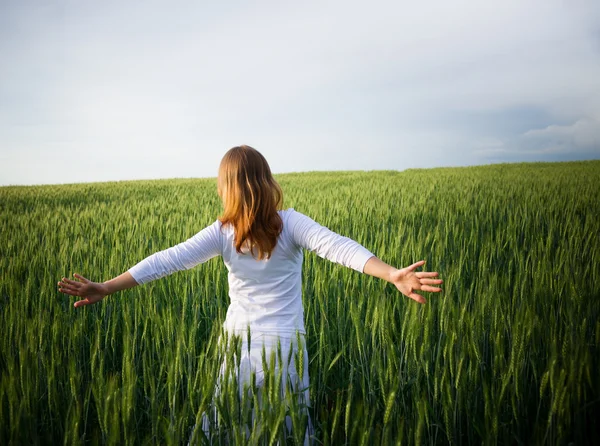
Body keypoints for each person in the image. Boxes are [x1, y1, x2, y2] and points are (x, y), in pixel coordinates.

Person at [57, 145, 443, 444]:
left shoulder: (222, 232)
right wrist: (391, 273)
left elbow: (166, 261)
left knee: (227, 428)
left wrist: (107, 286)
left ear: (227, 188)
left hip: (237, 346)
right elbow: (338, 247)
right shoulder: (291, 224)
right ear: (266, 180)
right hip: (286, 347)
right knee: (287, 431)